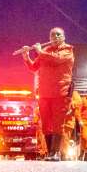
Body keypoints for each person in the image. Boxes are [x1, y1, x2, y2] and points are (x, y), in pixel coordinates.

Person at [22, 27, 74, 161]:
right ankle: (50, 152)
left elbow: (56, 60)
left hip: (60, 92)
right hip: (45, 93)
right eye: (52, 35)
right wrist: (26, 56)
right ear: (49, 37)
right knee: (46, 123)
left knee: (58, 123)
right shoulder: (45, 51)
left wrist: (39, 51)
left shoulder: (68, 50)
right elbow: (34, 67)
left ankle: (55, 152)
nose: (55, 37)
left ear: (64, 37)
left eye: (58, 34)